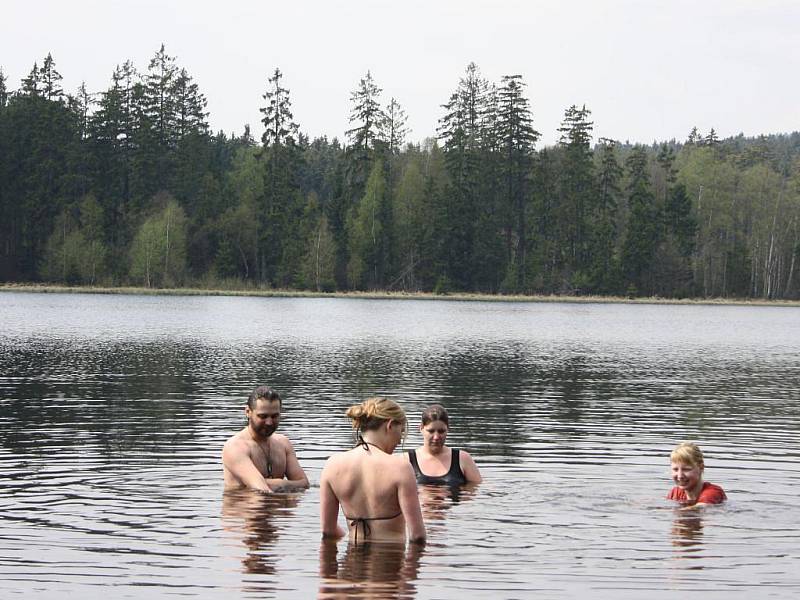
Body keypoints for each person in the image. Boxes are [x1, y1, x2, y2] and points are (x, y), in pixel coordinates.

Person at [320, 397, 426, 544]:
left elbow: (328, 531)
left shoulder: (332, 465)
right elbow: (417, 535)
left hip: (350, 563)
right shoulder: (400, 467)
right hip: (391, 563)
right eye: (401, 432)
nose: (400, 440)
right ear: (389, 425)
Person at [222, 386, 309, 493]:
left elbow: (304, 483)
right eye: (263, 416)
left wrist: (281, 484)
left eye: (274, 416)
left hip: (279, 508)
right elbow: (261, 489)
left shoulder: (283, 443)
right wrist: (287, 486)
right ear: (248, 412)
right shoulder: (236, 447)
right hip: (246, 508)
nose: (269, 422)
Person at [407, 404, 481, 485]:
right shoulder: (406, 461)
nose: (436, 437)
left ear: (448, 429)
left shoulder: (463, 459)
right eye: (431, 431)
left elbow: (477, 489)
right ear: (421, 428)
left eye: (441, 431)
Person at [667, 441, 726, 506]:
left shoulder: (713, 492)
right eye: (675, 469)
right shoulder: (675, 492)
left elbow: (698, 509)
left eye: (686, 469)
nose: (680, 476)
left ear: (701, 468)